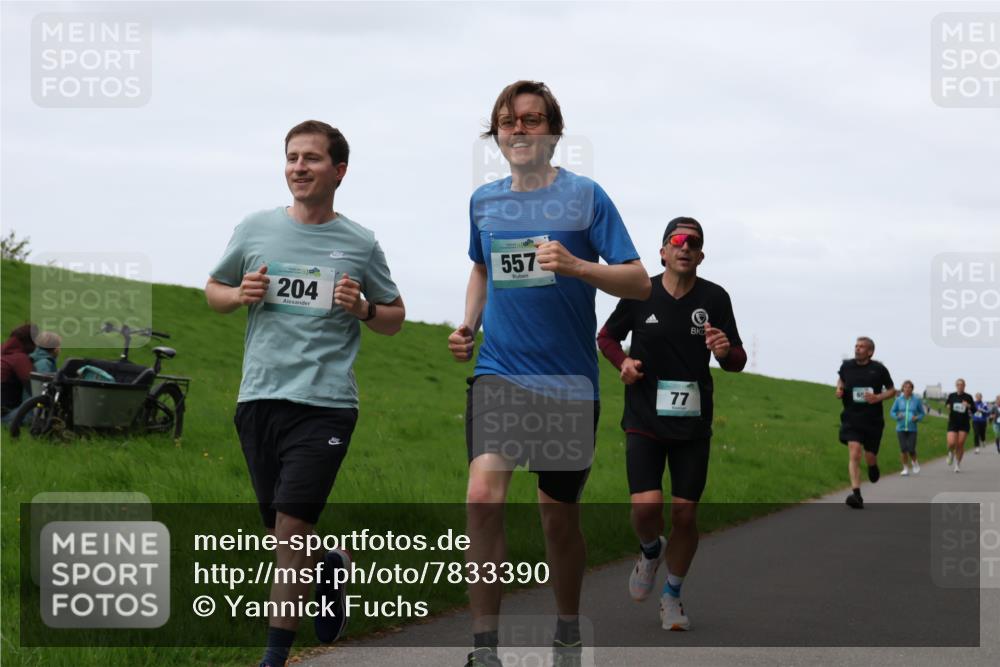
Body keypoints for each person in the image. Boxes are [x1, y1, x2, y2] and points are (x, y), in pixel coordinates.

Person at [447, 80, 649, 667]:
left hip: (567, 382)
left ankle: (566, 627)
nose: (519, 130)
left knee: (557, 519)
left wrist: (580, 266)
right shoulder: (483, 201)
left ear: (554, 131)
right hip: (500, 372)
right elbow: (481, 269)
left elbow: (638, 280)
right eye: (508, 121)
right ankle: (484, 648)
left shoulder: (586, 197)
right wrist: (468, 324)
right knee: (483, 496)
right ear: (497, 133)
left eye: (532, 120)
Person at [206, 120, 404, 667]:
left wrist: (363, 308)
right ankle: (328, 566)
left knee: (291, 529)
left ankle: (274, 657)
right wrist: (237, 294)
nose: (299, 167)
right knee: (281, 534)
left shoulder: (359, 243)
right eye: (292, 157)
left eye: (312, 158)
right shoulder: (254, 229)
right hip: (259, 398)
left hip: (326, 404)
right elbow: (213, 290)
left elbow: (394, 318)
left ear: (338, 170)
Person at [597, 217, 746, 632]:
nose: (684, 247)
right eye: (676, 241)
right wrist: (622, 362)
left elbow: (736, 361)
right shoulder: (640, 289)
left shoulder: (715, 298)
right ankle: (649, 550)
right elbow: (606, 337)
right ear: (663, 251)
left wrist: (724, 349)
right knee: (646, 508)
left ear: (700, 254)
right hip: (644, 416)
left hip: (692, 424)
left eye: (692, 242)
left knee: (684, 515)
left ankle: (673, 595)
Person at [836, 337, 895, 509]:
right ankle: (856, 494)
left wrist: (878, 397)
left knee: (869, 456)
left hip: (872, 421)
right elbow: (841, 380)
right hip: (851, 418)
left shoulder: (879, 369)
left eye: (862, 347)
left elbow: (892, 390)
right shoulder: (847, 366)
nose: (858, 348)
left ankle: (873, 466)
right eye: (856, 346)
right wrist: (839, 389)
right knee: (854, 453)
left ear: (870, 351)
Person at [1, 323, 37, 420]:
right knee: (38, 412)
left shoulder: (3, 351)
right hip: (4, 416)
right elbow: (35, 388)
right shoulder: (19, 358)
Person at [889, 380, 925, 476]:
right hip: (900, 428)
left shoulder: (916, 400)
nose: (907, 389)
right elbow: (892, 412)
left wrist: (917, 417)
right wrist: (897, 416)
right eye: (905, 387)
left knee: (911, 449)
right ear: (903, 389)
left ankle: (915, 462)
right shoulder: (898, 400)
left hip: (912, 428)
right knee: (903, 449)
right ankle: (905, 468)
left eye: (909, 387)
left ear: (912, 389)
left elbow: (922, 413)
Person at [944, 379, 974, 473]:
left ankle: (957, 464)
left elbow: (974, 409)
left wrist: (968, 405)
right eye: (958, 384)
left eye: (962, 385)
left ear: (964, 386)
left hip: (964, 423)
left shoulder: (968, 396)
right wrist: (948, 406)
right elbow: (947, 404)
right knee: (951, 443)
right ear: (956, 385)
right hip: (953, 422)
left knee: (960, 444)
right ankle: (950, 453)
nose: (960, 386)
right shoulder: (952, 395)